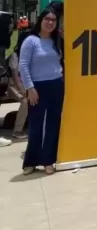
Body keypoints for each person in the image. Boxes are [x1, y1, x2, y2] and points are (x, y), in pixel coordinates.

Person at [19, 9, 65, 175]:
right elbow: (23, 65)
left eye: (53, 20)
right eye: (47, 19)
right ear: (41, 20)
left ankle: (48, 161)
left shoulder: (57, 40)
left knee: (53, 124)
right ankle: (31, 162)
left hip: (56, 85)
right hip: (37, 87)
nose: (50, 22)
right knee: (36, 124)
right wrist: (30, 88)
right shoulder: (31, 41)